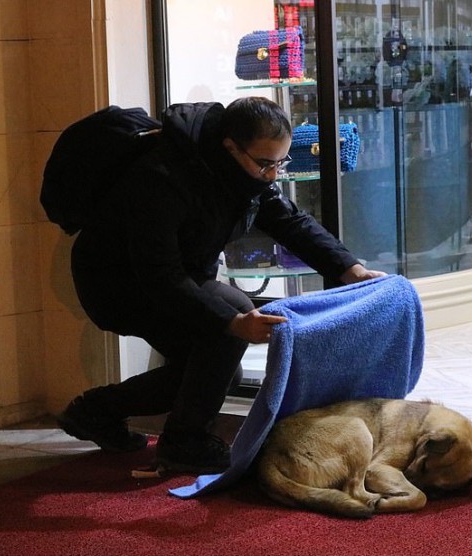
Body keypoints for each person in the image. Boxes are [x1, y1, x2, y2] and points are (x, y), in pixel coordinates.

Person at [58, 96, 385, 474]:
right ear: (230, 146)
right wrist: (230, 323)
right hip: (119, 284)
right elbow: (159, 275)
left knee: (217, 371)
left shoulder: (243, 173)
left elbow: (291, 222)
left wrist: (351, 269)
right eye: (265, 163)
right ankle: (183, 442)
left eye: (281, 162)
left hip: (178, 273)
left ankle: (97, 412)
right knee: (225, 330)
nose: (273, 174)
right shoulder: (162, 177)